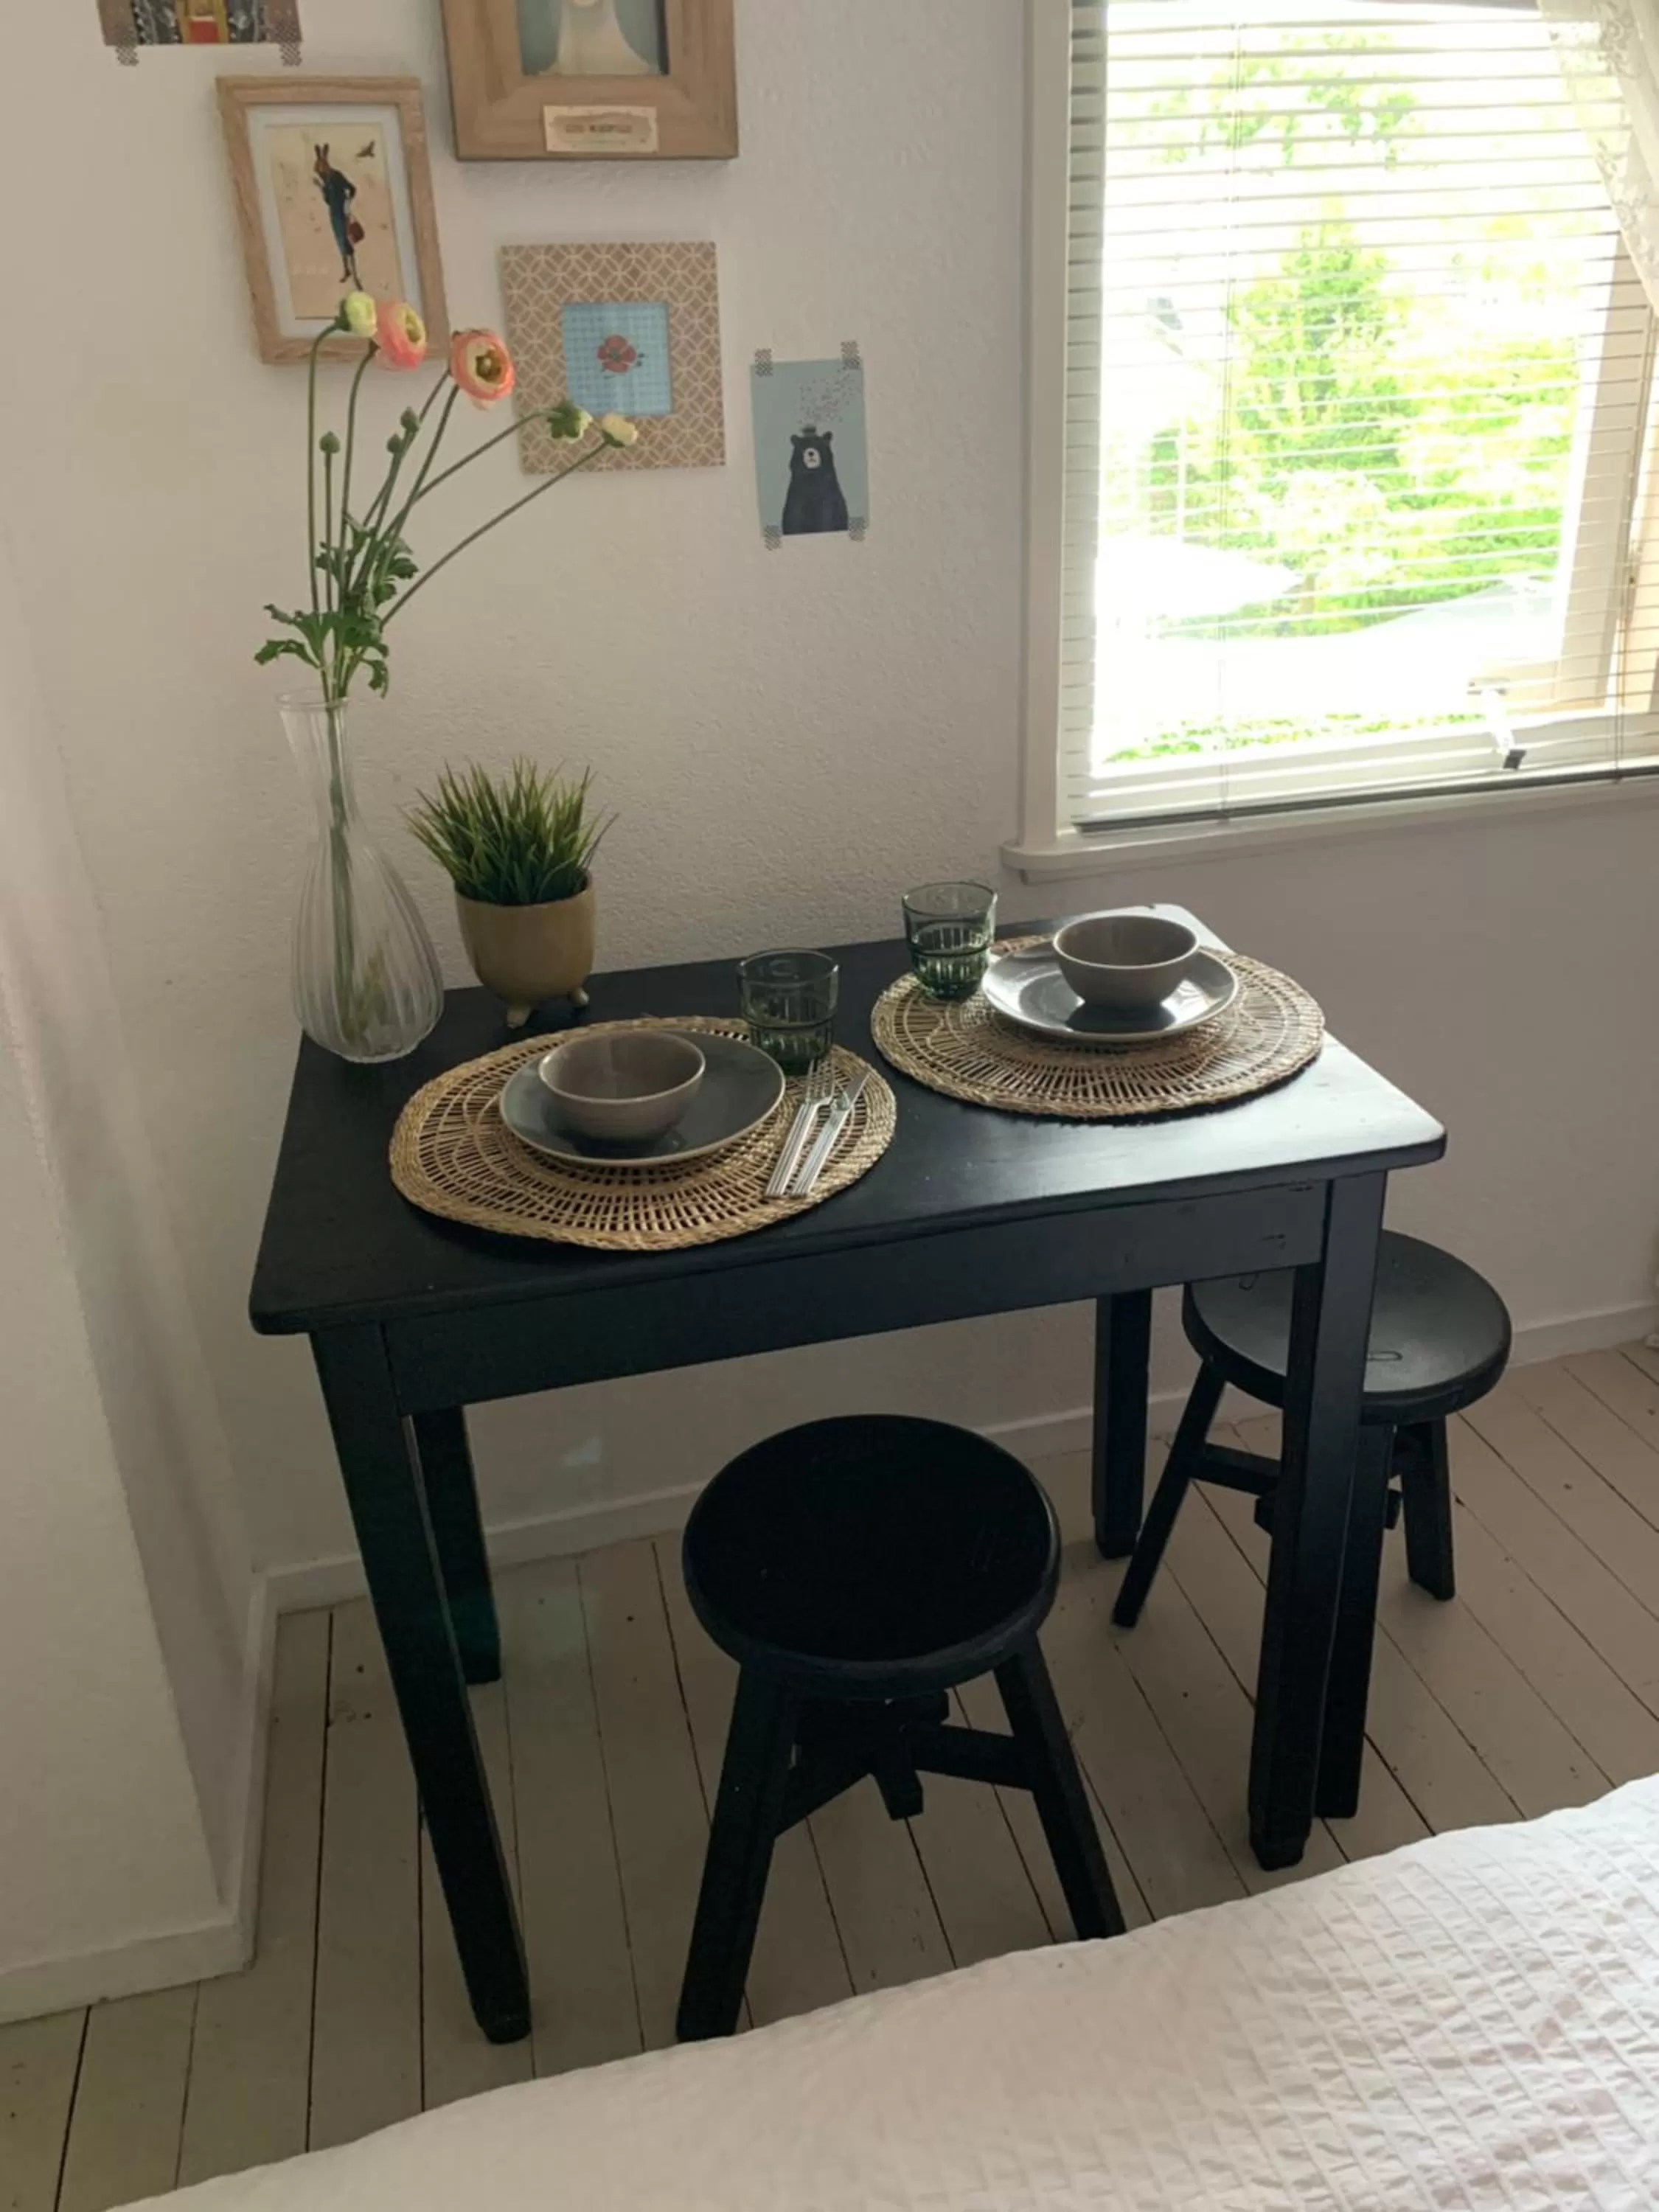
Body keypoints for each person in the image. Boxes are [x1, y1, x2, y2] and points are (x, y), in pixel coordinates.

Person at [313, 146, 359, 289]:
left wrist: (347, 203)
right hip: (334, 214)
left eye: (321, 169)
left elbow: (352, 189)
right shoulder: (326, 181)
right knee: (340, 241)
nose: (321, 173)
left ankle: (355, 273)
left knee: (347, 242)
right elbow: (328, 200)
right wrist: (321, 187)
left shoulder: (337, 176)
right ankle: (346, 269)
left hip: (342, 212)